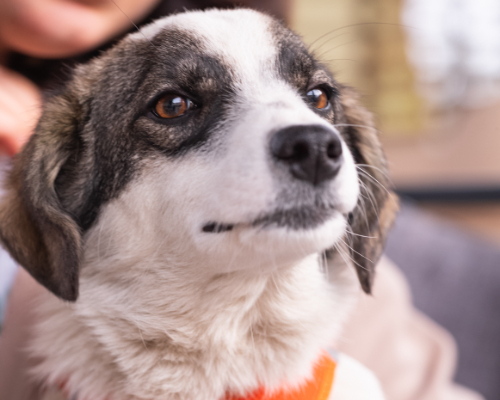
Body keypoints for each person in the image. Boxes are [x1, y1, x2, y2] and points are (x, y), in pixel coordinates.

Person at [0, 1, 484, 399]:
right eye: (175, 107)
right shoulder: (91, 109)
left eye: (316, 98)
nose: (311, 141)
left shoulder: (360, 364)